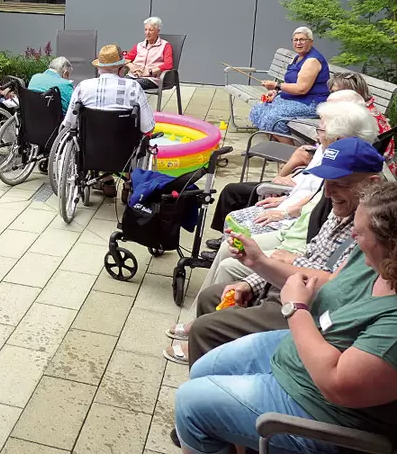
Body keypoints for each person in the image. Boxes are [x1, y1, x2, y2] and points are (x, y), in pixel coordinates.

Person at [174, 181, 397, 454]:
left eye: (360, 233)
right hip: (301, 355)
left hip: (320, 404)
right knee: (201, 370)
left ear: (390, 245)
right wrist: (259, 262)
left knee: (190, 403)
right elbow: (331, 283)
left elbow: (337, 383)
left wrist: (295, 308)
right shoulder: (372, 260)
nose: (352, 235)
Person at [163, 137, 384, 368]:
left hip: (308, 307)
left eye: (340, 183)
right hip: (287, 287)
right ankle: (217, 362)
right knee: (213, 297)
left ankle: (212, 374)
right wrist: (251, 283)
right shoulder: (345, 208)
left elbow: (334, 286)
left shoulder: (372, 229)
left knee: (206, 327)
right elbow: (311, 254)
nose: (328, 192)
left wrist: (261, 263)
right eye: (326, 181)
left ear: (372, 182)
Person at [207, 101, 378, 244]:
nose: (317, 135)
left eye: (321, 130)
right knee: (234, 219)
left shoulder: (343, 164)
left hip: (297, 226)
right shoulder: (328, 152)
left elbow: (317, 200)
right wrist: (287, 197)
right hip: (294, 208)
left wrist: (285, 212)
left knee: (237, 232)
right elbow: (313, 190)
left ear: (338, 137)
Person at [248, 27, 330, 136]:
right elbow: (290, 83)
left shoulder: (312, 61)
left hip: (311, 103)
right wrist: (276, 92)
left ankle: (290, 148)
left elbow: (301, 89)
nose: (298, 43)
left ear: (311, 42)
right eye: (295, 40)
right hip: (296, 98)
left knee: (274, 117)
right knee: (259, 108)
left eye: (302, 40)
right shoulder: (298, 57)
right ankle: (273, 141)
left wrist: (277, 85)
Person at [64, 44, 155, 134]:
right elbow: (148, 128)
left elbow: (69, 123)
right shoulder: (133, 87)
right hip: (125, 147)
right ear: (121, 68)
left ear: (99, 68)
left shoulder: (83, 87)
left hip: (88, 146)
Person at [328, 72, 395, 175]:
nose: (334, 96)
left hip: (373, 170)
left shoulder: (359, 117)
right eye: (332, 92)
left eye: (339, 92)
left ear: (357, 93)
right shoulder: (366, 109)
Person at [124, 16, 173, 90]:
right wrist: (132, 67)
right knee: (120, 84)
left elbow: (168, 64)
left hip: (151, 78)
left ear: (158, 31)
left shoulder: (165, 46)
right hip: (133, 75)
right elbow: (126, 59)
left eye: (151, 30)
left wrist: (150, 72)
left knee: (132, 86)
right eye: (145, 30)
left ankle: (138, 102)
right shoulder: (139, 45)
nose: (147, 33)